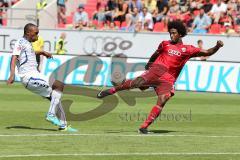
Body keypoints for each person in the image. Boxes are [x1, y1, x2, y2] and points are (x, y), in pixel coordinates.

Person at [97, 20, 224, 134]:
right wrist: (149, 64)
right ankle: (112, 90)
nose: (171, 35)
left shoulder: (188, 49)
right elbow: (155, 54)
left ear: (180, 34)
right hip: (156, 70)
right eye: (170, 33)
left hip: (168, 78)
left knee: (163, 100)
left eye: (173, 33)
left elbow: (207, 52)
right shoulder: (165, 44)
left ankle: (144, 127)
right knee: (137, 83)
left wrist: (217, 46)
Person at [7, 23, 77, 132]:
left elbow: (31, 53)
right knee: (58, 86)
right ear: (28, 33)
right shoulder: (20, 42)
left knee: (55, 97)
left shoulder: (28, 44)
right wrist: (12, 74)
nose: (37, 36)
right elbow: (13, 58)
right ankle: (50, 115)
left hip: (34, 75)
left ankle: (64, 125)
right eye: (36, 33)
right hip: (28, 76)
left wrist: (43, 52)